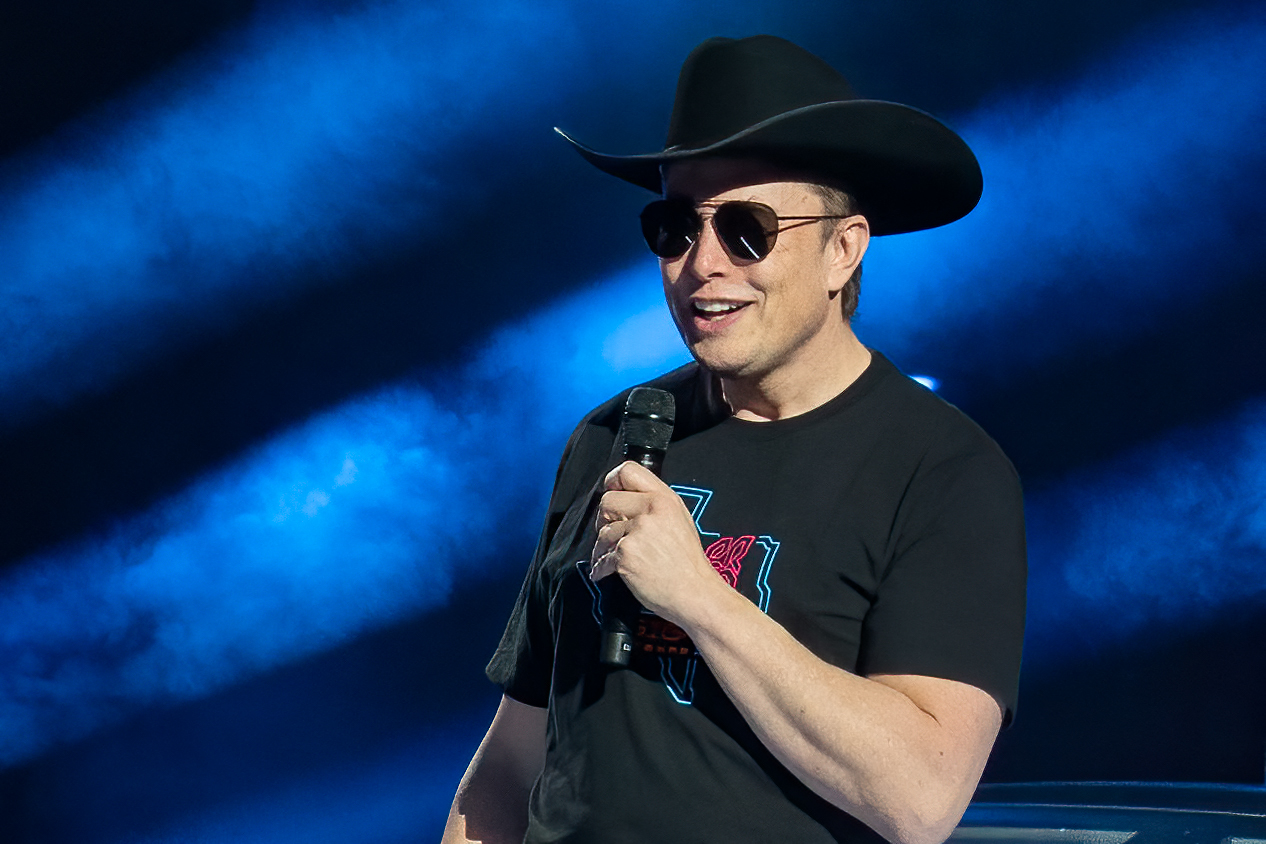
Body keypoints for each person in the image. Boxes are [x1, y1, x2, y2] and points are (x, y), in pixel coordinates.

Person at [442, 35, 1026, 844]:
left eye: (747, 228)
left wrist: (699, 599)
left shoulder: (942, 473)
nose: (701, 263)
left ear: (843, 249)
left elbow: (918, 799)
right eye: (674, 226)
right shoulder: (611, 436)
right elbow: (512, 761)